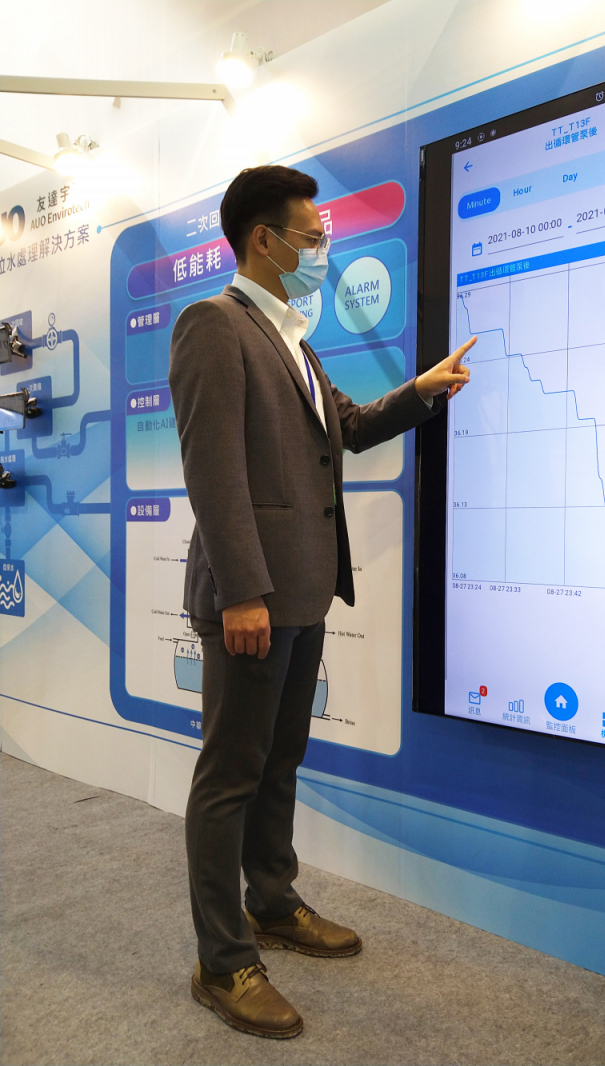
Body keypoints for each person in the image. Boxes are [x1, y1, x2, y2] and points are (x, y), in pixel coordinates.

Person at [169, 164, 474, 1040]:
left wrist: (420, 392)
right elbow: (213, 473)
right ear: (263, 240)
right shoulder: (212, 325)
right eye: (312, 237)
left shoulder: (294, 341)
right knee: (230, 775)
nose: (322, 250)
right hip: (253, 599)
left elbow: (348, 427)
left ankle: (272, 902)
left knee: (279, 762)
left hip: (304, 591)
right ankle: (222, 961)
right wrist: (242, 592)